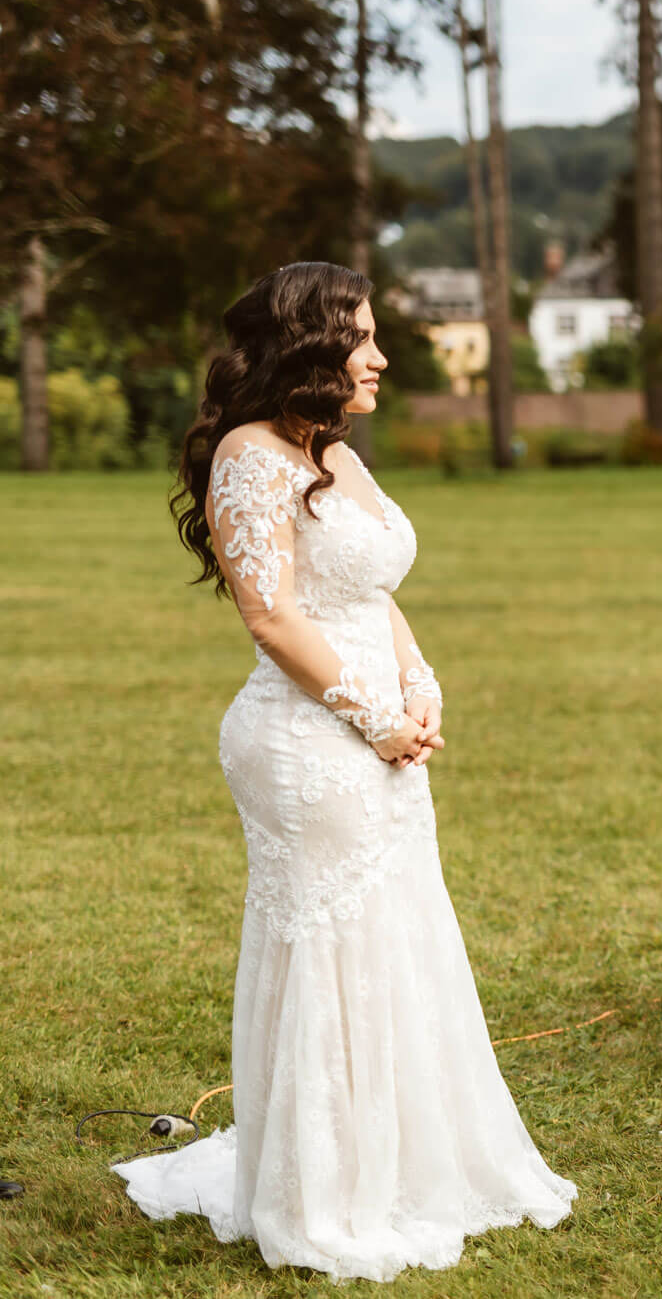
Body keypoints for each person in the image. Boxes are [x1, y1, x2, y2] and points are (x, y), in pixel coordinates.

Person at [117, 263, 575, 1281]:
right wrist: (374, 718)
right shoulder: (250, 455)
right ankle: (322, 1190)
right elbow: (271, 615)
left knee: (394, 938)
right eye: (360, 338)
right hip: (305, 743)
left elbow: (369, 590)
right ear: (310, 347)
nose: (380, 357)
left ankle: (397, 1163)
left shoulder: (334, 452)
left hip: (379, 732)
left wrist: (421, 682)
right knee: (333, 951)